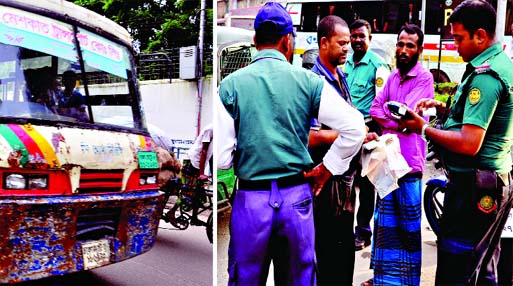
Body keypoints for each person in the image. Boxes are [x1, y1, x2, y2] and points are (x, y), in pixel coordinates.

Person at [216, 2, 366, 285]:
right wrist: (327, 168)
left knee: (245, 278)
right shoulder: (309, 82)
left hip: (251, 201)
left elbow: (222, 160)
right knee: (299, 278)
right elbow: (356, 128)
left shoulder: (230, 87)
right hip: (297, 198)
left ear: (255, 40)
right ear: (288, 40)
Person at [402, 1, 513, 284]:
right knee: (482, 265)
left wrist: (424, 127)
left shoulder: (486, 77)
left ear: (480, 35)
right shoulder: (495, 63)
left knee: (457, 267)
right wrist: (444, 109)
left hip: (474, 189)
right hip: (487, 181)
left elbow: (469, 143)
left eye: (459, 38)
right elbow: (480, 119)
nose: (455, 46)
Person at [306, 15, 377, 285]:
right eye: (341, 43)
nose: (347, 48)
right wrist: (347, 135)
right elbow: (309, 136)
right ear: (324, 43)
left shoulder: (340, 76)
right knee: (328, 255)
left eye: (349, 42)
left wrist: (362, 136)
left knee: (344, 253)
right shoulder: (314, 83)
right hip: (326, 180)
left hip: (345, 179)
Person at [367, 23, 434, 286]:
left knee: (407, 230)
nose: (404, 50)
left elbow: (408, 113)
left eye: (410, 45)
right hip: (387, 165)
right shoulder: (393, 77)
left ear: (419, 49)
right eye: (400, 44)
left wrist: (401, 119)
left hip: (409, 167)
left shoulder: (425, 79)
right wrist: (400, 122)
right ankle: (383, 280)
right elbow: (376, 108)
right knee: (385, 229)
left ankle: (407, 282)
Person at [345, 18, 390, 252]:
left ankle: (363, 232)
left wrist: (375, 133)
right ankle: (347, 228)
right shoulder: (346, 63)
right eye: (353, 36)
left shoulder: (378, 65)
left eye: (362, 36)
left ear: (369, 39)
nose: (357, 40)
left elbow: (383, 102)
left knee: (367, 183)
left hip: (369, 129)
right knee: (347, 182)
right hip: (346, 131)